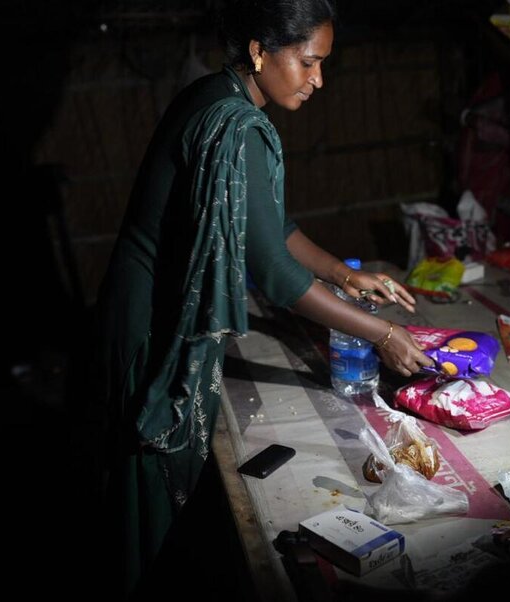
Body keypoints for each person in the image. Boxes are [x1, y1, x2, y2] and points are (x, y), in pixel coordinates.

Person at [80, 0, 434, 595]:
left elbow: (272, 227)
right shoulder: (236, 126)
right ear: (259, 52)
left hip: (131, 310)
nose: (319, 79)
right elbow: (271, 270)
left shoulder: (217, 97)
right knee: (144, 514)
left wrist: (345, 277)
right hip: (149, 330)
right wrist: (384, 333)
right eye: (308, 62)